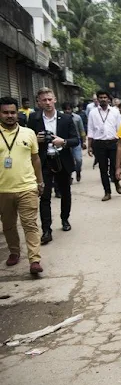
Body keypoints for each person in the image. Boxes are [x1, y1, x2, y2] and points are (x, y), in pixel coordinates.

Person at [28, 88, 79, 244]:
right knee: (44, 196)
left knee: (65, 192)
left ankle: (65, 219)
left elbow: (75, 140)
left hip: (62, 160)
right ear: (39, 102)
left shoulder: (66, 118)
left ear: (55, 100)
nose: (48, 103)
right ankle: (46, 230)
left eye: (50, 99)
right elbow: (26, 139)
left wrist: (62, 141)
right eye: (44, 100)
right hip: (43, 162)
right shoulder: (33, 118)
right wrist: (35, 139)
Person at [0, 97, 44, 274]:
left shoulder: (28, 133)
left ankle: (34, 259)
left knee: (30, 224)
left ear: (17, 113)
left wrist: (39, 181)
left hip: (27, 187)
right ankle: (14, 252)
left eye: (12, 112)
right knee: (8, 225)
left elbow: (35, 159)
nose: (10, 116)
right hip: (3, 190)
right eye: (5, 112)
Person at [87, 90, 121, 201]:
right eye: (100, 97)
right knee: (103, 169)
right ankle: (107, 192)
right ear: (97, 99)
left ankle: (116, 182)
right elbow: (91, 129)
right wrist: (89, 146)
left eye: (105, 97)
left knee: (114, 166)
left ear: (108, 99)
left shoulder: (115, 112)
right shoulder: (93, 112)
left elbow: (119, 128)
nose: (103, 99)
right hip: (99, 143)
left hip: (113, 142)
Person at [62, 102, 86, 182]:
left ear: (72, 109)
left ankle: (78, 171)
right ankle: (69, 176)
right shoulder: (61, 118)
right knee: (68, 160)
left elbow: (81, 130)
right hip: (65, 142)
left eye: (69, 109)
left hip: (76, 141)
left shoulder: (77, 118)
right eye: (66, 109)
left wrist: (84, 141)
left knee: (78, 159)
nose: (67, 111)